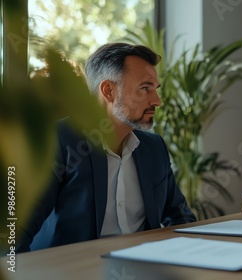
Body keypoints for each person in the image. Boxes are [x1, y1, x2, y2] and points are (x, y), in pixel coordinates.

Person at [17, 43, 196, 252]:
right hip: (73, 270)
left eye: (155, 89)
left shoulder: (154, 148)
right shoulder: (60, 139)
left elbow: (180, 217)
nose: (157, 101)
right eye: (145, 88)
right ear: (108, 91)